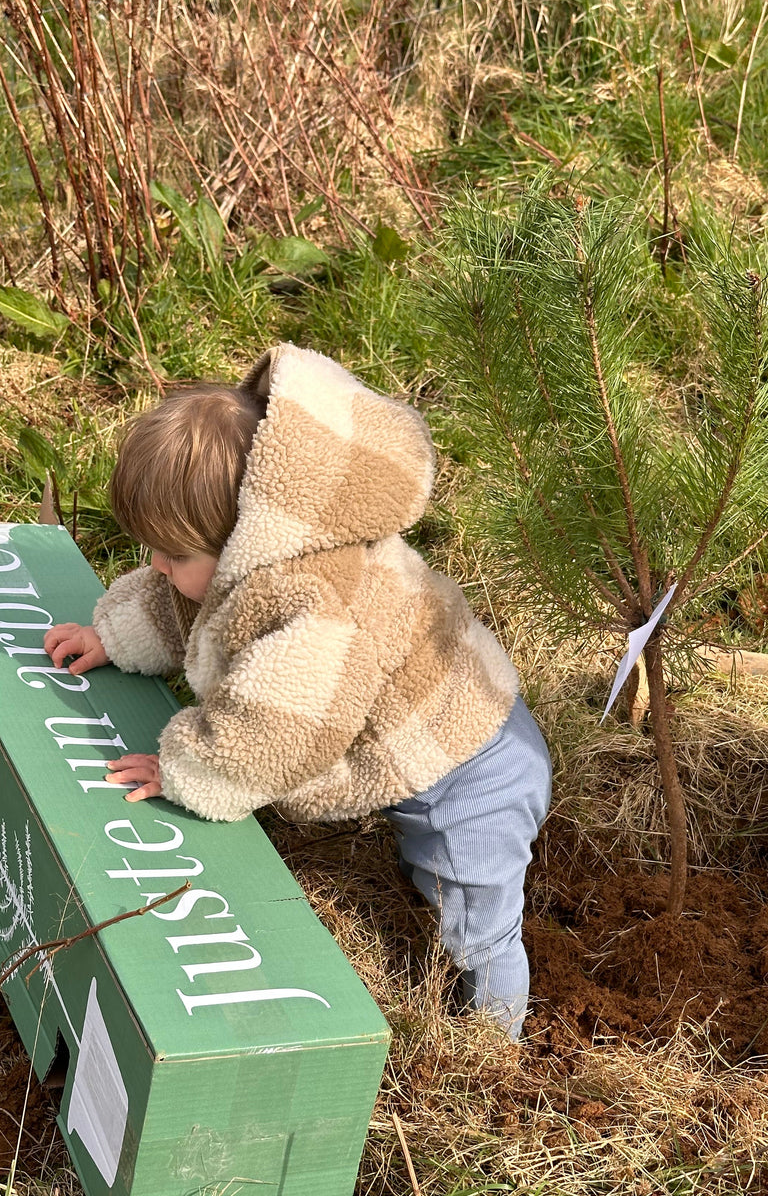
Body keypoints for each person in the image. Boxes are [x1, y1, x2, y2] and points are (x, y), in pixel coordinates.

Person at [44, 344, 552, 1039]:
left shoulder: (317, 609)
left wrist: (188, 769)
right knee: (438, 876)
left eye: (174, 554)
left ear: (242, 540)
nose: (157, 566)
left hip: (468, 766)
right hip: (451, 723)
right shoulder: (258, 553)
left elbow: (283, 731)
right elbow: (186, 606)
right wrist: (114, 634)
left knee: (474, 918)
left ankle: (497, 1041)